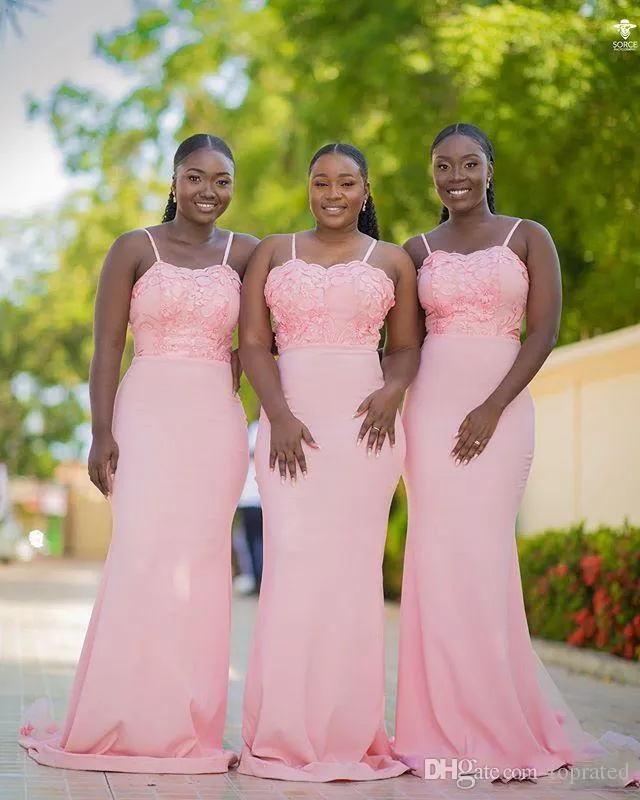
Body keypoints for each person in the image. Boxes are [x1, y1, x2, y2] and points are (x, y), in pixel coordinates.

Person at [394, 122, 637, 782]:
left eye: (468, 163)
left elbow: (546, 329)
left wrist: (493, 405)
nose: (455, 175)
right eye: (442, 165)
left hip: (501, 414)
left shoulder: (528, 237)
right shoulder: (414, 249)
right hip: (432, 415)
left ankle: (499, 715)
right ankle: (436, 724)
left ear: (490, 169)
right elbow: (404, 346)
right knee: (436, 559)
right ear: (433, 175)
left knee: (485, 555)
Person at [19, 133, 258, 773]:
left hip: (215, 421)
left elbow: (271, 334)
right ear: (174, 179)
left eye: (223, 180)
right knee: (141, 556)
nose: (209, 191)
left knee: (203, 567)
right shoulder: (133, 248)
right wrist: (101, 432)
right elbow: (106, 348)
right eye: (196, 177)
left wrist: (237, 360)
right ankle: (121, 714)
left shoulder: (248, 254)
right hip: (144, 413)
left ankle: (190, 721)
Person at [238, 143, 420, 782]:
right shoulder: (273, 252)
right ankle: (283, 729)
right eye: (321, 182)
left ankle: (348, 728)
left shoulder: (393, 261)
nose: (333, 193)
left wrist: (391, 394)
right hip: (291, 429)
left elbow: (403, 351)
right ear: (308, 188)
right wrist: (279, 415)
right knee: (290, 566)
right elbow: (253, 344)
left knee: (351, 576)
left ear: (366, 190)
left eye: (346, 183)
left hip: (365, 435)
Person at [236, 420, 263, 593]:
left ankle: (259, 578)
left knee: (256, 541)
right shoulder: (255, 429)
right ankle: (258, 577)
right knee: (255, 541)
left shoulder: (252, 428)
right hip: (252, 498)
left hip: (253, 497)